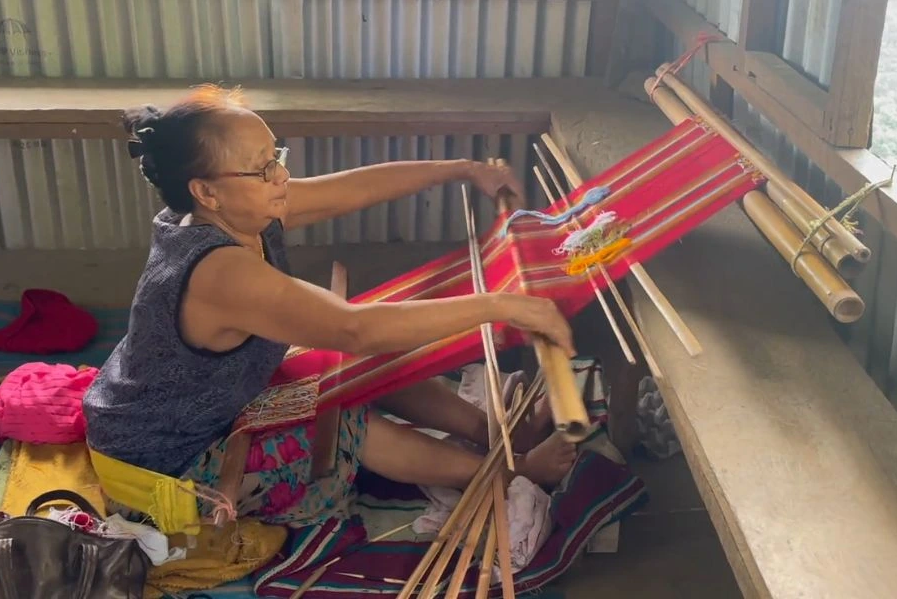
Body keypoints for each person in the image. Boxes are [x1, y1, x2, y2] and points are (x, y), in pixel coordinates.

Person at [82, 85, 578, 529]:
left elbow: (352, 189)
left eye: (275, 156)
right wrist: (503, 306)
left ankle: (490, 432)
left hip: (192, 404)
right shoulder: (219, 270)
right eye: (262, 168)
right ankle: (509, 470)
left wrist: (463, 170)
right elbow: (356, 329)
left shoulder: (237, 206)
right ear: (206, 190)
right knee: (344, 413)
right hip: (163, 461)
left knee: (351, 365)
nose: (281, 175)